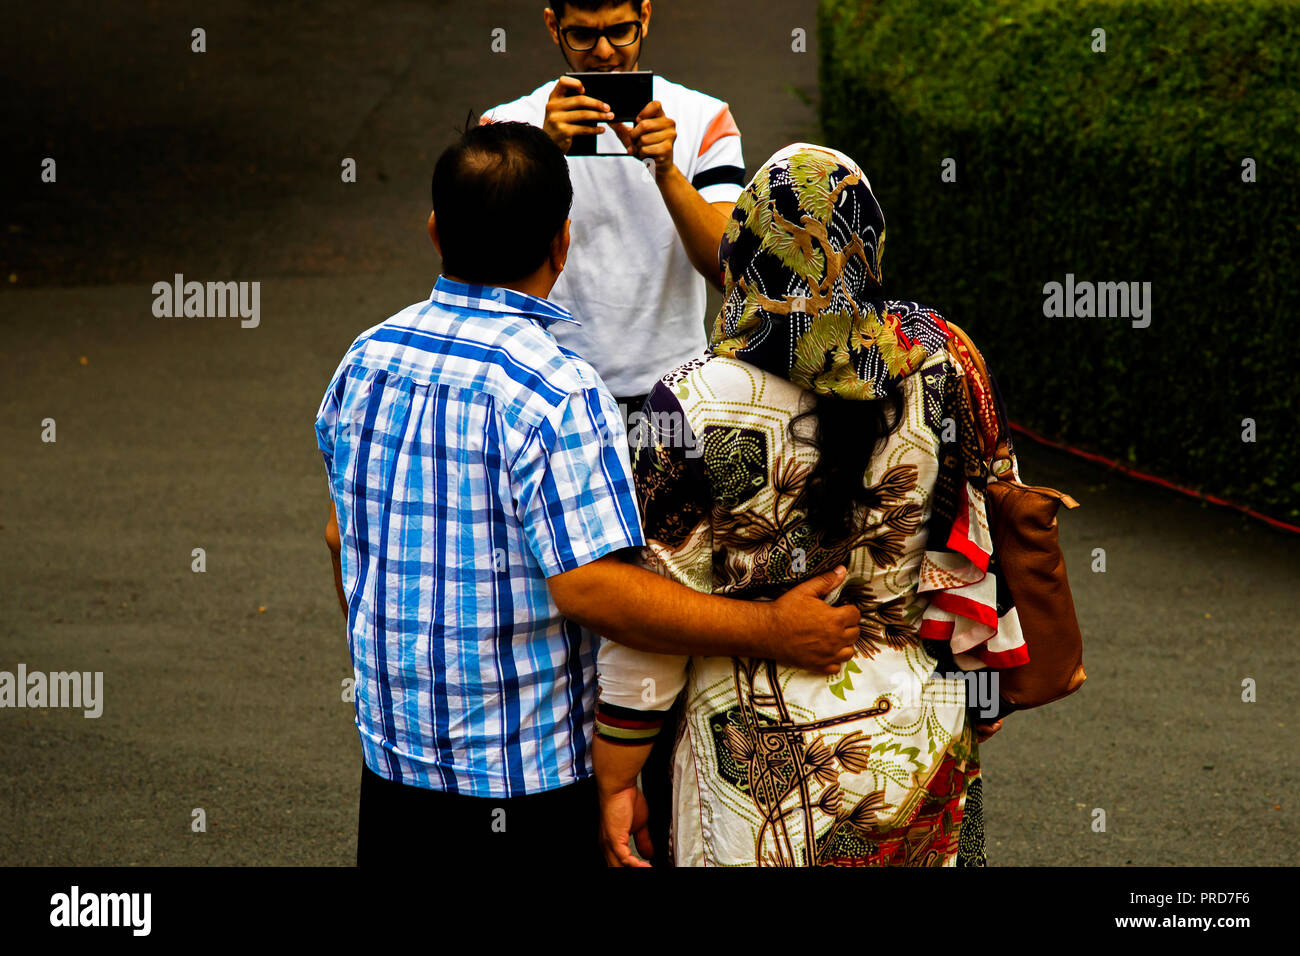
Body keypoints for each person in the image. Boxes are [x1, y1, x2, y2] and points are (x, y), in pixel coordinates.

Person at [314, 121, 861, 868]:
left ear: (437, 233)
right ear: (562, 244)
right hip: (527, 781)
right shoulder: (557, 392)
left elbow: (343, 540)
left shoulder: (367, 360)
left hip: (394, 769)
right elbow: (597, 591)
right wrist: (770, 629)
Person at [593, 144, 1021, 867]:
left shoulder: (691, 402)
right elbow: (988, 534)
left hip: (759, 768)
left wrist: (618, 772)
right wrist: (979, 690)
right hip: (924, 731)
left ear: (744, 249)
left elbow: (654, 612)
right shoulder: (941, 359)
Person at [480, 0, 744, 419]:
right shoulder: (503, 127)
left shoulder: (705, 118)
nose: (603, 51)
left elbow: (728, 267)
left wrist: (667, 172)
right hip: (541, 385)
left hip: (671, 393)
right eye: (583, 35)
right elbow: (481, 260)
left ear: (645, 16)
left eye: (620, 31)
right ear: (554, 26)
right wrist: (540, 154)